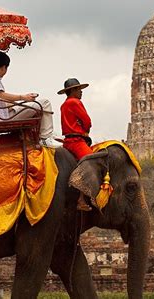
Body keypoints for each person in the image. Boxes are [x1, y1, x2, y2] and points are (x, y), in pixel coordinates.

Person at [0, 52, 60, 148]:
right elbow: (1, 95)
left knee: (23, 105)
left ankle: (46, 132)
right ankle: (46, 137)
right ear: (4, 67)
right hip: (4, 119)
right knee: (44, 103)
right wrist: (23, 97)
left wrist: (20, 102)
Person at [58, 78, 93, 211]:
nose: (81, 92)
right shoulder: (75, 102)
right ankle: (81, 199)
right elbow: (87, 121)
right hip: (76, 141)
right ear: (72, 91)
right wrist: (85, 130)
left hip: (67, 142)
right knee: (92, 164)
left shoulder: (64, 104)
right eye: (79, 89)